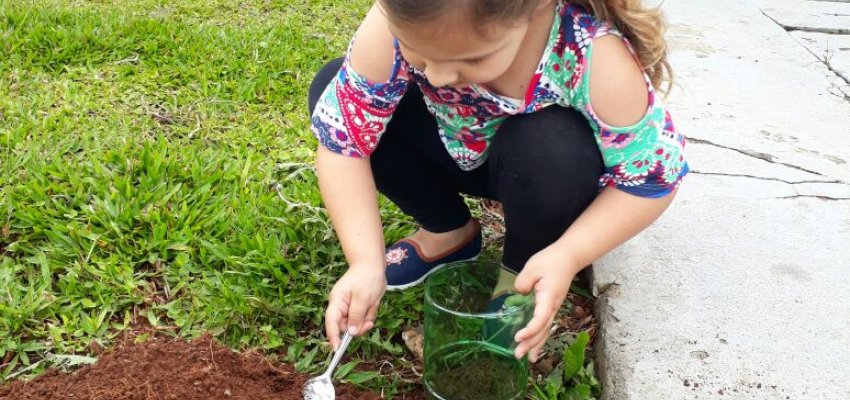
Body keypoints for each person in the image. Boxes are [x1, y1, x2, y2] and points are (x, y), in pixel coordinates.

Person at [307, 0, 688, 363]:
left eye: (472, 58)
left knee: (553, 147)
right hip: (448, 143)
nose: (437, 77)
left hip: (542, 173)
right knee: (333, 86)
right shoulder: (394, 22)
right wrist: (365, 262)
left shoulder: (594, 56)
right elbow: (344, 141)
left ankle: (520, 276)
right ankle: (448, 230)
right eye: (418, 53)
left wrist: (568, 254)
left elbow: (651, 181)